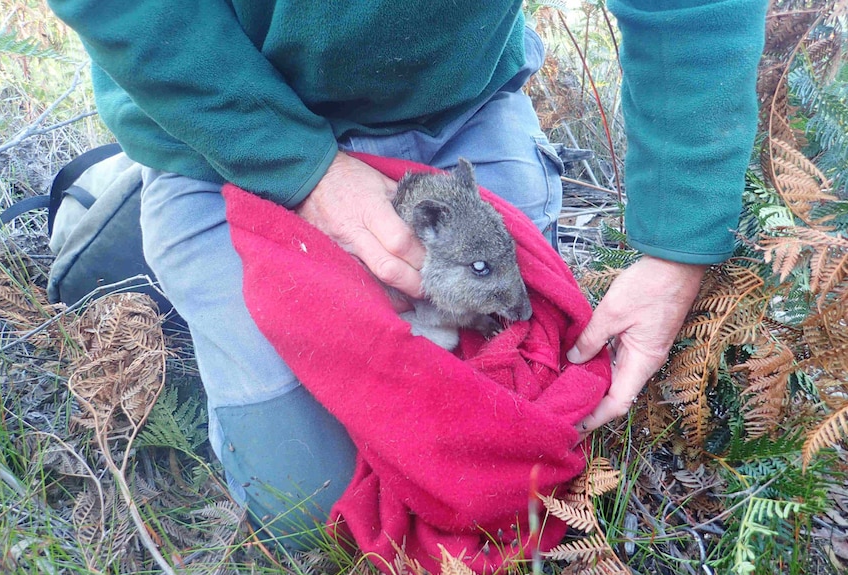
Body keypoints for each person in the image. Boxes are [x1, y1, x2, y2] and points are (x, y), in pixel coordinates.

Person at [48, 0, 767, 549]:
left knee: (516, 408)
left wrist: (680, 242)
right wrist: (297, 168)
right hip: (223, 127)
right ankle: (134, 205)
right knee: (311, 506)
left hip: (451, 108)